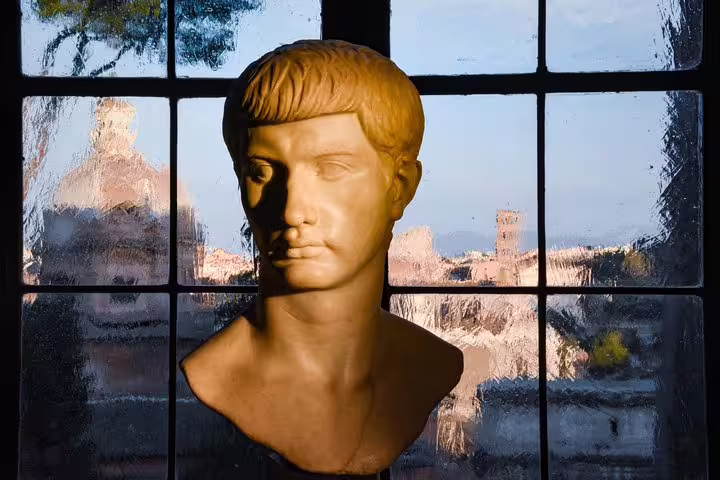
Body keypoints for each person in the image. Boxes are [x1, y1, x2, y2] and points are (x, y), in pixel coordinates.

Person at [180, 39, 464, 478]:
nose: (292, 210)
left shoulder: (432, 365)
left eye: (330, 168)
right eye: (262, 172)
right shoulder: (214, 375)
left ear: (400, 186)